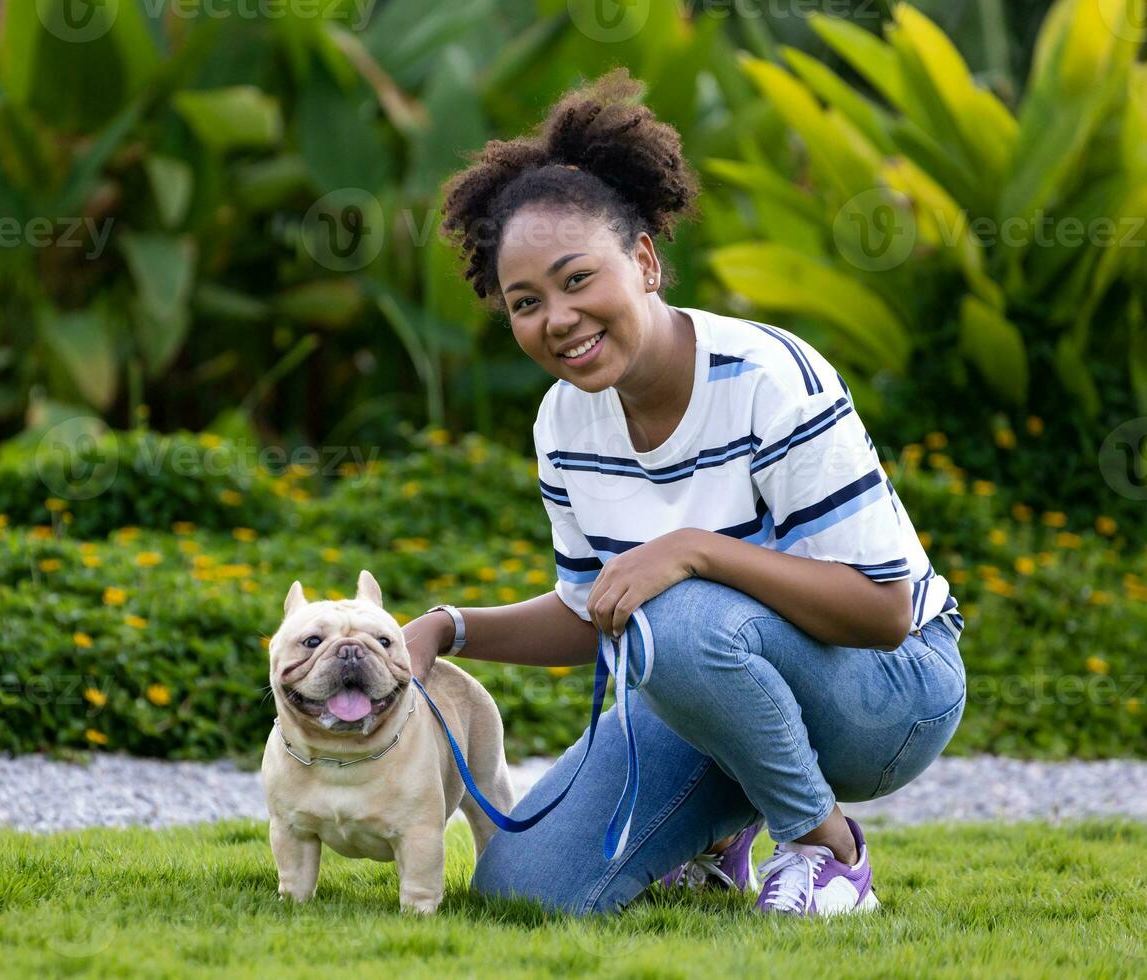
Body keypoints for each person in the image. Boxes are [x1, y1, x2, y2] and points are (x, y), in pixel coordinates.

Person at [400, 67, 966, 917]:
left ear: (644, 259)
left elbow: (884, 609)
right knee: (525, 889)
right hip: (706, 677)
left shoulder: (770, 377)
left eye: (577, 278)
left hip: (892, 691)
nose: (557, 318)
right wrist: (447, 629)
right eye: (526, 302)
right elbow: (596, 611)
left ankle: (826, 848)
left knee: (679, 614)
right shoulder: (564, 422)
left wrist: (692, 552)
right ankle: (716, 831)